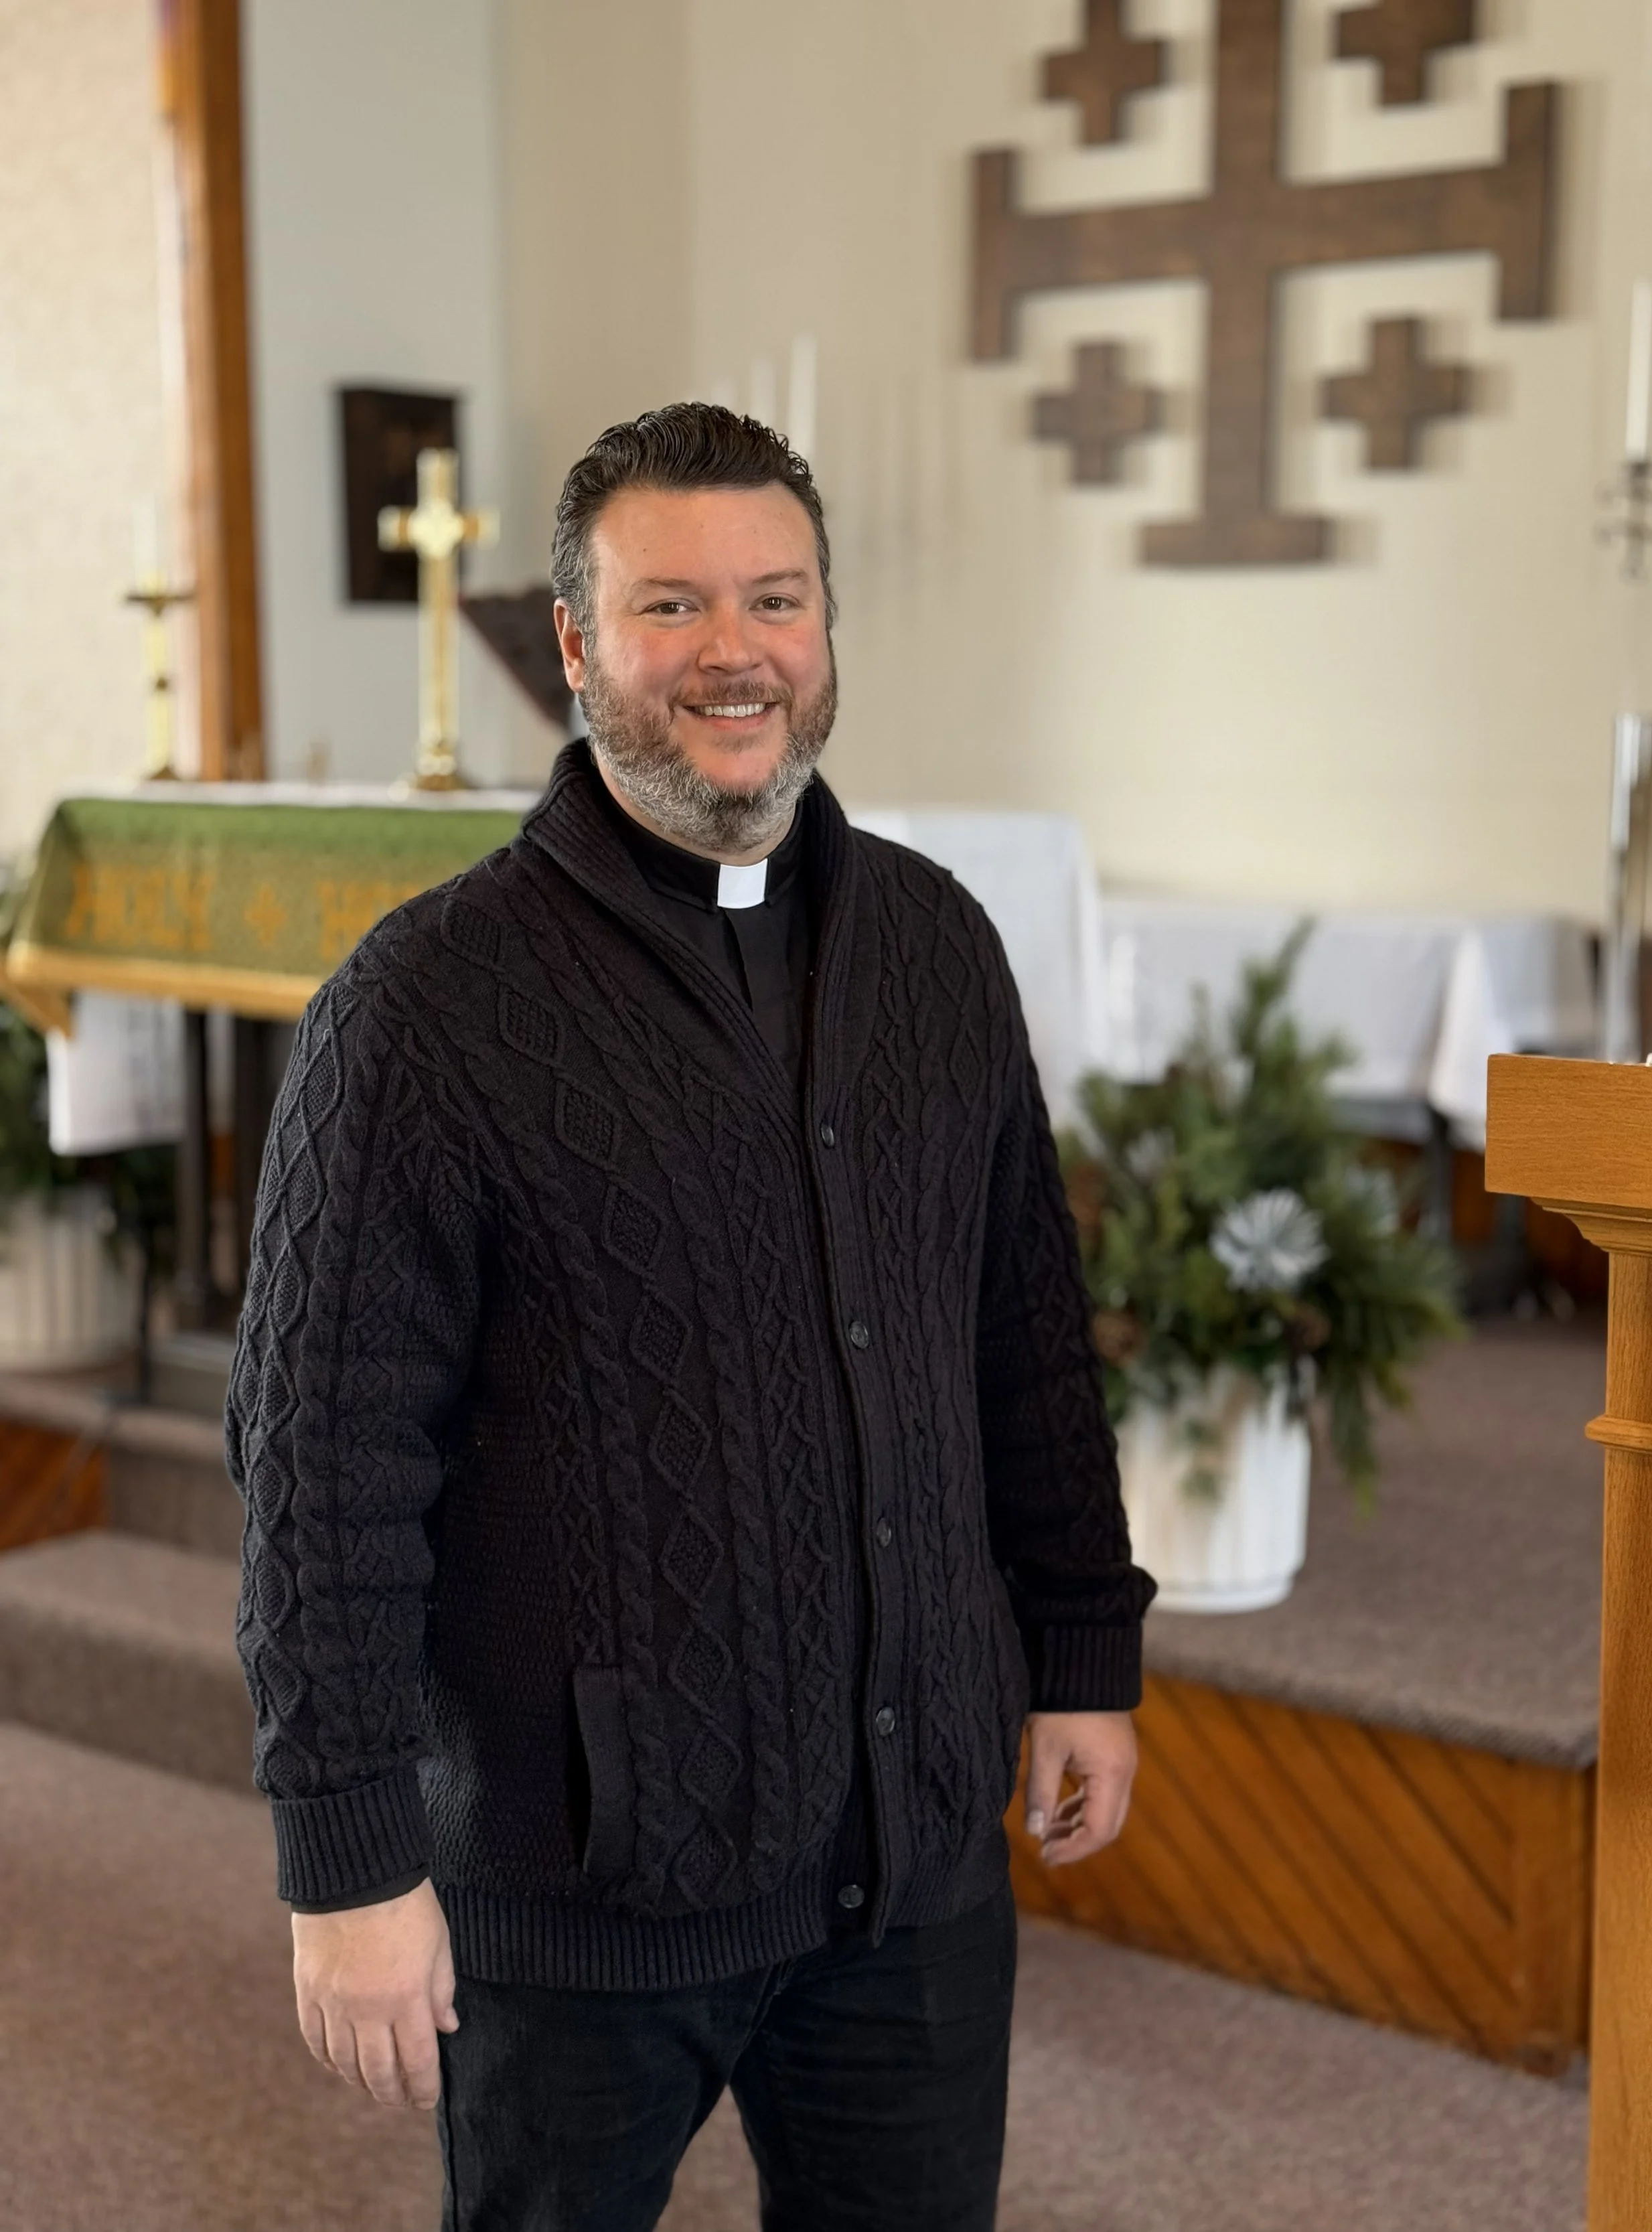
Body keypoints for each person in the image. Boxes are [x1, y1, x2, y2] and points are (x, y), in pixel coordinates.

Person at [228, 402, 1154, 2232]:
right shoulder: (420, 1009)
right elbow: (322, 1468)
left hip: (907, 1874)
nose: (732, 651)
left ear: (824, 633)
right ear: (575, 645)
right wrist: (346, 1864)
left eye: (776, 598)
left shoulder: (934, 945)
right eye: (670, 606)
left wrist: (1078, 1648)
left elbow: (1021, 1335)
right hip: (585, 1881)